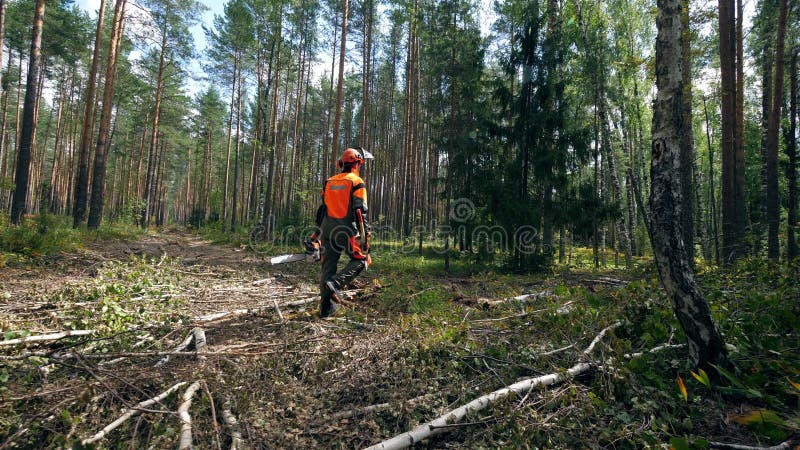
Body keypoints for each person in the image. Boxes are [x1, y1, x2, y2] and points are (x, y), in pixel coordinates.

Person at [305, 147, 373, 317]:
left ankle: (325, 310)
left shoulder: (329, 182)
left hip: (327, 229)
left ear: (341, 163)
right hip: (346, 230)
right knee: (363, 259)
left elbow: (323, 210)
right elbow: (359, 212)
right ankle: (335, 283)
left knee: (327, 267)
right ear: (358, 163)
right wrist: (366, 239)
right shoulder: (357, 182)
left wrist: (315, 236)